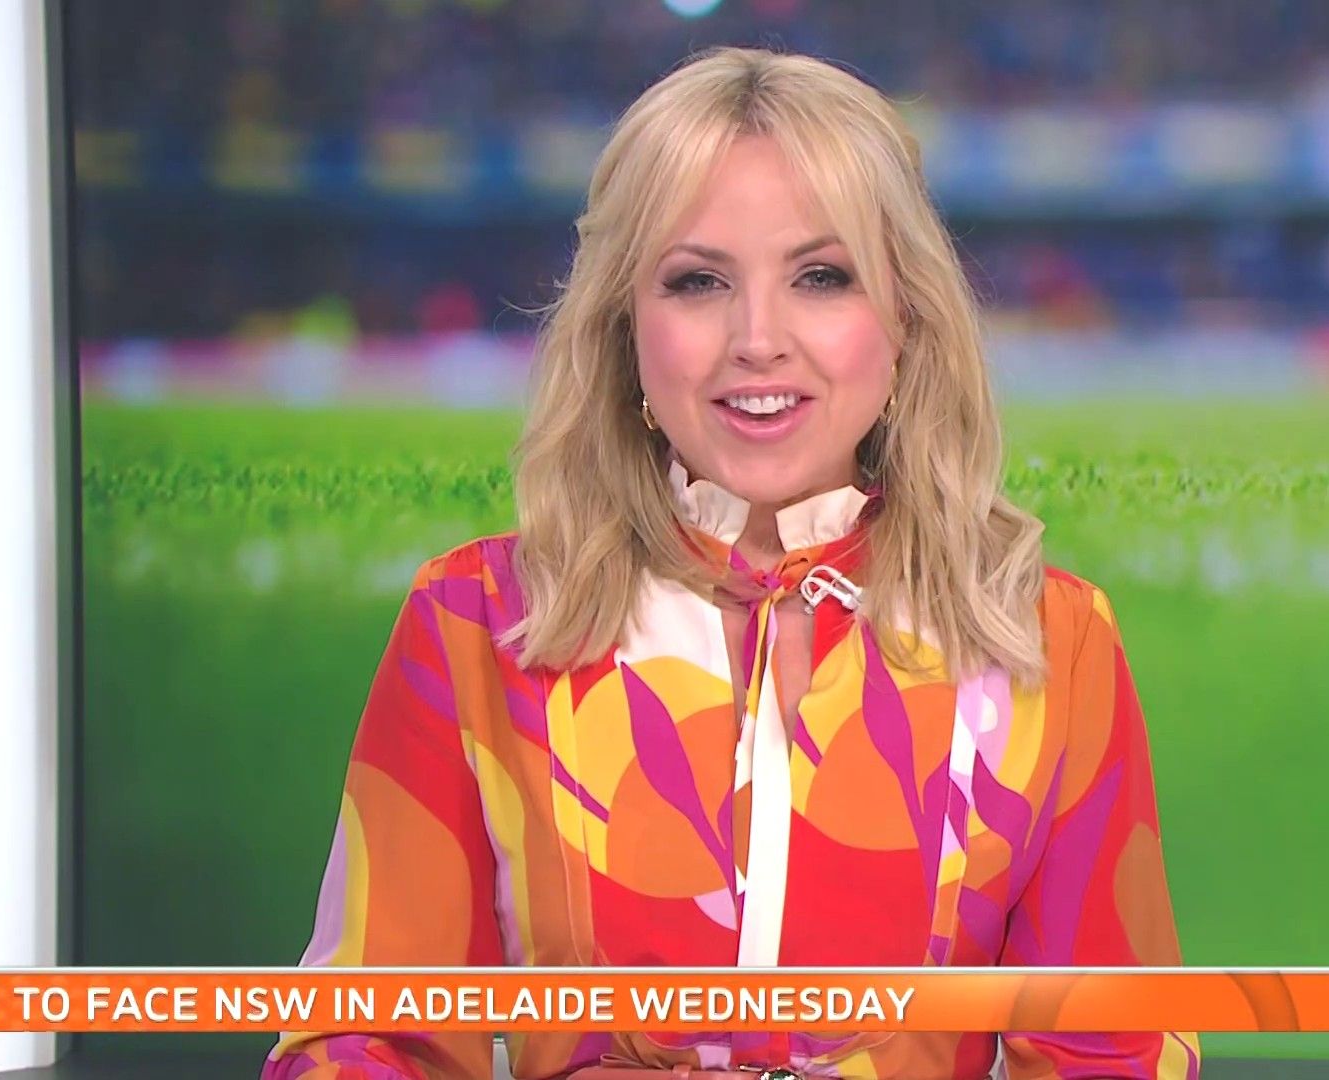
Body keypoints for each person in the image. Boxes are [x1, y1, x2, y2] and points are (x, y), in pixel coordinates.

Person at [263, 46, 1199, 1080]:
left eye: (821, 277)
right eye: (698, 281)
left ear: (905, 316)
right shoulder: (476, 621)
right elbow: (360, 1041)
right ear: (624, 325)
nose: (758, 339)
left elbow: (1114, 1055)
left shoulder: (1049, 642)